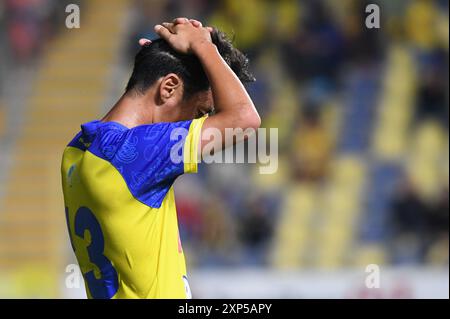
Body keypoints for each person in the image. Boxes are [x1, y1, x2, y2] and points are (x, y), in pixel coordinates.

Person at [61, 17, 260, 299]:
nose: (198, 124)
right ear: (168, 88)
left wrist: (164, 55)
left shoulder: (77, 150)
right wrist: (204, 47)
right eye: (201, 113)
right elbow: (245, 119)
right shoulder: (134, 154)